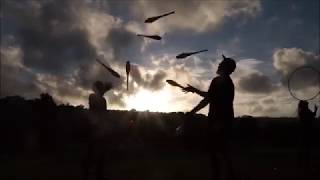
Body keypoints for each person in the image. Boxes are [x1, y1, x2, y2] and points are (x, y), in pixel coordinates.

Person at [183, 55, 236, 180]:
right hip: (225, 120)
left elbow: (208, 99)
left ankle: (219, 176)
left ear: (225, 67)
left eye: (221, 64)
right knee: (222, 150)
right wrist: (194, 92)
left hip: (218, 120)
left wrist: (192, 110)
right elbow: (209, 98)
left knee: (214, 151)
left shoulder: (218, 81)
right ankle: (229, 175)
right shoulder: (229, 83)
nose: (218, 65)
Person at [84, 81, 113, 180]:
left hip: (101, 130)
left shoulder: (103, 100)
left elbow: (104, 114)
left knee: (101, 155)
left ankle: (98, 175)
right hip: (93, 129)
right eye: (99, 88)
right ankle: (87, 174)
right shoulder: (92, 97)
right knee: (91, 154)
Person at [297, 100, 318, 175]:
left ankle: (302, 165)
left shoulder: (302, 111)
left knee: (304, 148)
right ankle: (305, 165)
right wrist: (315, 111)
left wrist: (315, 110)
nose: (308, 104)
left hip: (305, 132)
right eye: (307, 104)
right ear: (304, 105)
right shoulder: (304, 111)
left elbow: (312, 115)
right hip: (306, 132)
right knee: (306, 148)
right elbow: (312, 116)